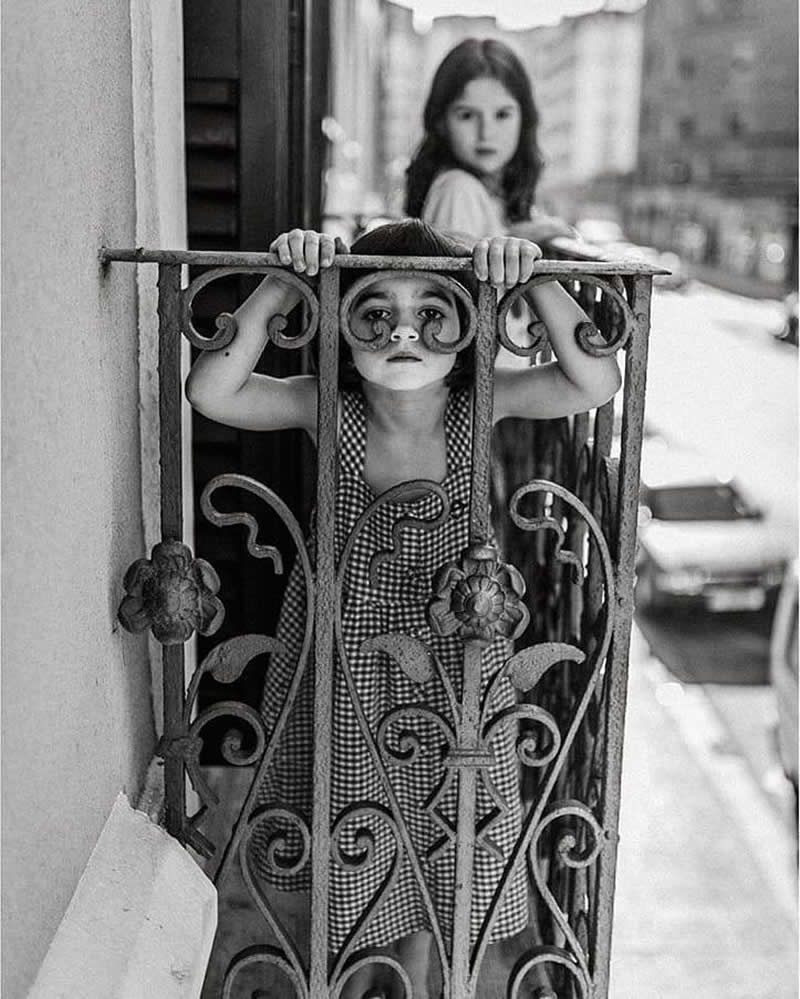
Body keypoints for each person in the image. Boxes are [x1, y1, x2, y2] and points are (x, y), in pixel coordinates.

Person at [185, 220, 621, 999]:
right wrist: (287, 282)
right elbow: (212, 390)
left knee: (442, 831)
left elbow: (595, 382)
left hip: (456, 663)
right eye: (376, 311)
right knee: (354, 821)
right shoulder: (329, 408)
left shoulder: (474, 406)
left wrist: (530, 273)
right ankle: (353, 980)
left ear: (466, 326)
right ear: (344, 324)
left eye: (434, 310)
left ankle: (420, 983)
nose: (406, 332)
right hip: (349, 667)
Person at [407, 38, 574, 249]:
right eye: (467, 115)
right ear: (441, 122)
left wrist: (531, 232)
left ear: (523, 119)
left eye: (502, 115)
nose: (486, 132)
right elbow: (462, 277)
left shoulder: (492, 192)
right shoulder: (458, 189)